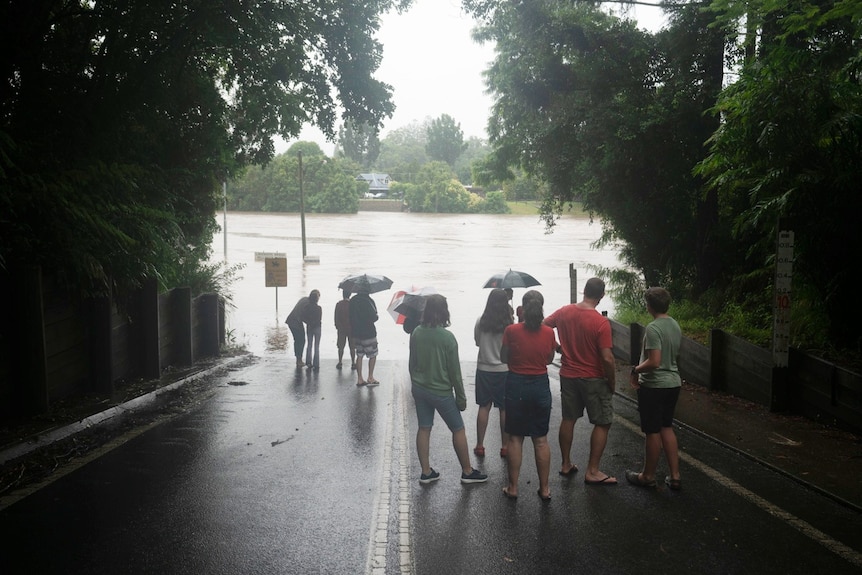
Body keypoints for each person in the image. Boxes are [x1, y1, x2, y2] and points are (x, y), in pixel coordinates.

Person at [543, 277, 618, 485]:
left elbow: (543, 326)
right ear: (601, 296)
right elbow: (607, 358)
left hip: (568, 375)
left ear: (584, 291)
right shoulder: (600, 322)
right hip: (593, 378)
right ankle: (592, 471)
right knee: (603, 422)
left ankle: (566, 464)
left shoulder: (564, 312)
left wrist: (558, 346)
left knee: (569, 419)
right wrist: (611, 381)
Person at [409, 294, 488, 485]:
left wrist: (415, 383)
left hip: (420, 388)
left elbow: (412, 364)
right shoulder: (448, 338)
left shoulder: (416, 332)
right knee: (458, 429)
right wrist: (461, 398)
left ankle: (426, 472)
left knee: (424, 427)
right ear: (444, 311)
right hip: (441, 391)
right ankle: (467, 472)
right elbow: (454, 372)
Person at [500, 290, 557, 500]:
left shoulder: (511, 330)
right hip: (540, 385)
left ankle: (513, 488)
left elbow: (503, 356)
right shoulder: (549, 333)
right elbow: (549, 360)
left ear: (522, 308)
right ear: (541, 308)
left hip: (516, 384)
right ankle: (545, 489)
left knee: (515, 438)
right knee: (540, 439)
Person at [625, 287, 683, 490]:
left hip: (655, 385)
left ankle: (647, 475)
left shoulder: (653, 328)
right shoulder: (674, 324)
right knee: (666, 427)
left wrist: (635, 369)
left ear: (649, 306)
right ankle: (675, 476)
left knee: (652, 431)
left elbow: (654, 361)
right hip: (673, 383)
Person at [472, 288, 513, 459]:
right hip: (504, 370)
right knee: (504, 409)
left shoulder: (481, 321)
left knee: (484, 406)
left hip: (484, 369)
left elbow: (477, 342)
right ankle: (504, 446)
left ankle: (480, 445)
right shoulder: (509, 324)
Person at [349, 289, 380, 387]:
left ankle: (359, 378)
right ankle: (370, 377)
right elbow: (374, 317)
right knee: (373, 354)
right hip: (368, 332)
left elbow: (350, 316)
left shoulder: (352, 300)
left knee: (359, 355)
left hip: (356, 333)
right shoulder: (369, 301)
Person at [285, 291, 314, 368]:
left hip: (291, 320)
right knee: (301, 340)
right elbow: (303, 315)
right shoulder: (307, 304)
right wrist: (310, 323)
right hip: (295, 322)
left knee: (298, 340)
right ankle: (299, 360)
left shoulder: (304, 299)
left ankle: (298, 359)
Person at [334, 290, 355, 370]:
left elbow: (336, 317)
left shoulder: (339, 304)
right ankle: (353, 362)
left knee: (341, 347)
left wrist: (337, 326)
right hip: (351, 329)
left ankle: (340, 362)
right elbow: (354, 316)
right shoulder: (352, 304)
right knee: (352, 347)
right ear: (350, 295)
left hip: (341, 329)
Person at [303, 289, 321, 371]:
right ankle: (316, 363)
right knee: (316, 346)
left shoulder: (306, 307)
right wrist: (314, 323)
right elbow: (319, 319)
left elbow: (304, 318)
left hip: (309, 327)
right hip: (317, 327)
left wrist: (309, 323)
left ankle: (308, 362)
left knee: (309, 345)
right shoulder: (319, 308)